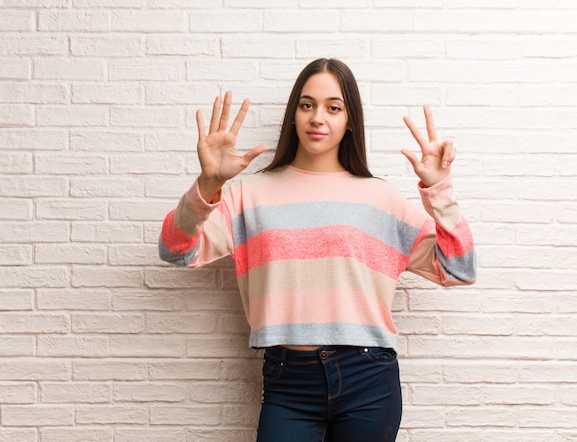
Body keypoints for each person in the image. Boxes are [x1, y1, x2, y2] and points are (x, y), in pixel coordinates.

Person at [159, 58, 476, 442]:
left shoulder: (379, 198)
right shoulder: (249, 194)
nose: (317, 117)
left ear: (350, 120)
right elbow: (176, 249)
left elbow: (458, 268)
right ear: (294, 114)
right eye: (307, 104)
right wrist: (207, 185)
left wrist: (440, 191)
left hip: (369, 377)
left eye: (333, 107)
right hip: (288, 380)